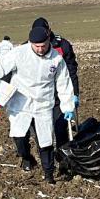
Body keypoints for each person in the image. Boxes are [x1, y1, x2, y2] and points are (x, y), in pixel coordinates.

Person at [0, 25, 76, 184]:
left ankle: (49, 175)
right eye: (36, 46)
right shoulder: (19, 54)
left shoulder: (56, 59)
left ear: (48, 41)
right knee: (19, 137)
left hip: (43, 104)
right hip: (21, 103)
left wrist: (68, 106)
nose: (40, 49)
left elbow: (64, 83)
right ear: (31, 43)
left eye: (43, 46)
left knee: (45, 141)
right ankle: (26, 157)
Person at [31, 17, 80, 149]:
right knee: (41, 131)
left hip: (59, 94)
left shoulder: (62, 45)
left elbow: (71, 71)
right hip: (38, 96)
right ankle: (46, 157)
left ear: (49, 31)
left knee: (60, 127)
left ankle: (62, 156)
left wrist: (74, 94)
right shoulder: (28, 48)